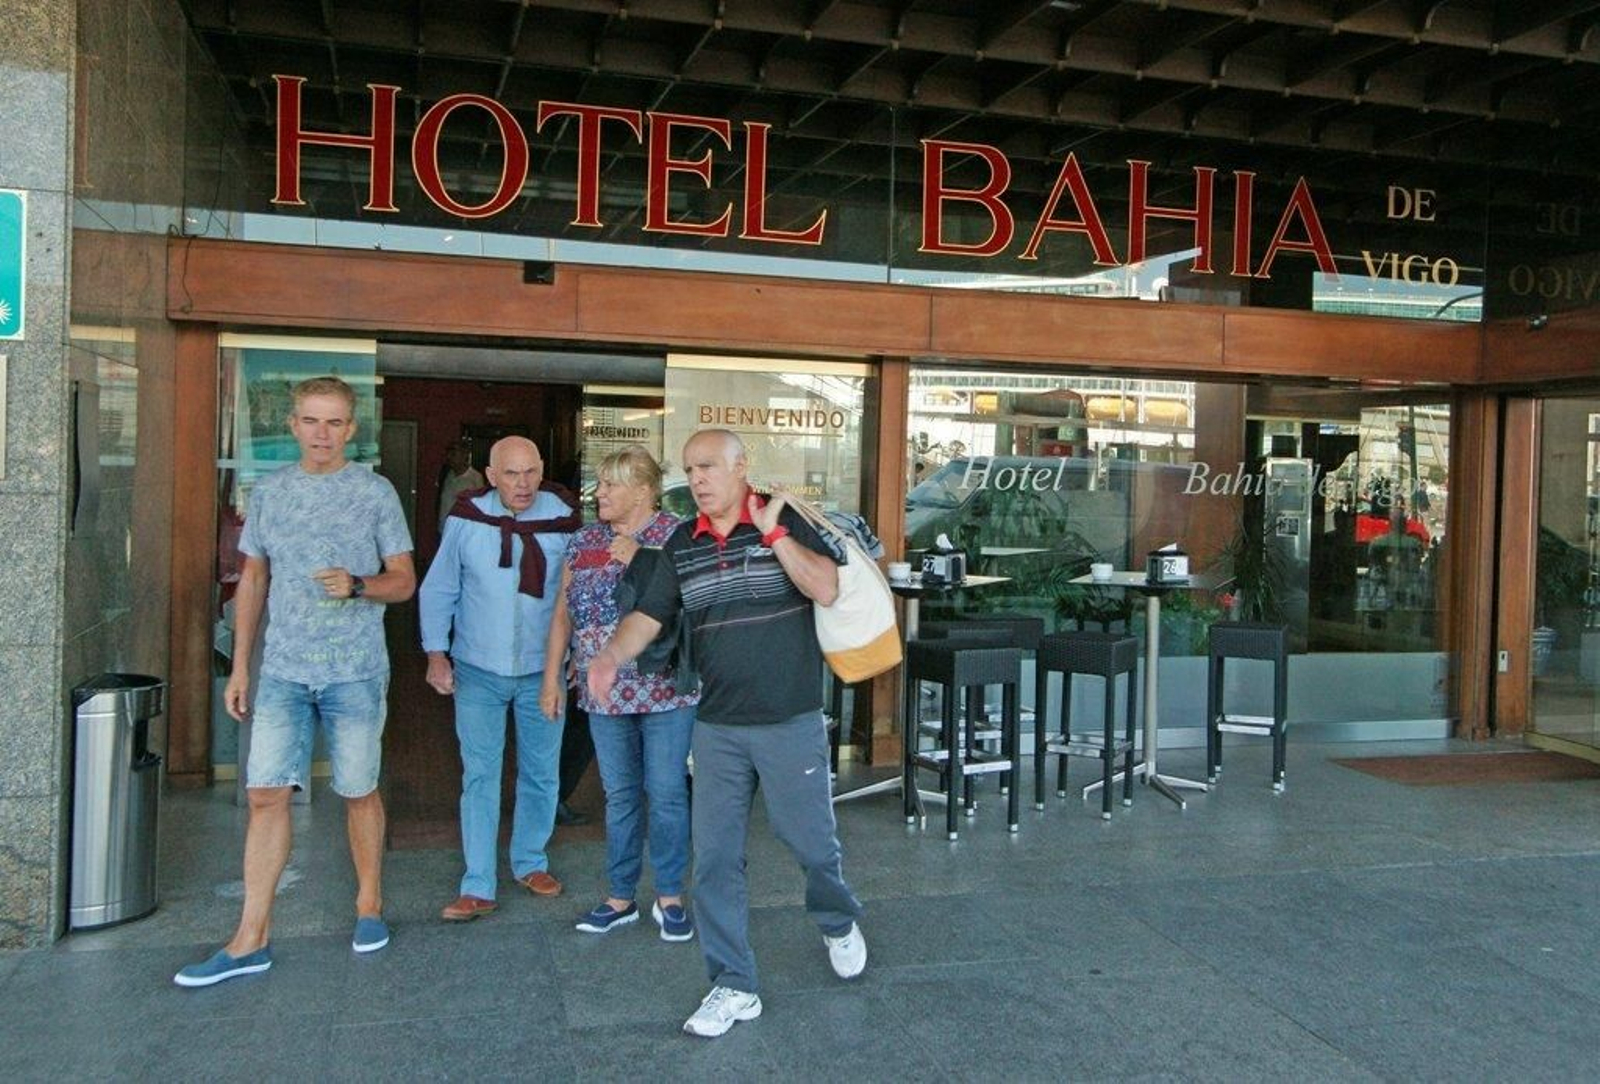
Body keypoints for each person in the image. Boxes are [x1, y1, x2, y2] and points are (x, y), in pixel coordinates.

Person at [588, 429, 866, 1039]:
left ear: (744, 467)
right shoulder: (681, 545)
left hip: (789, 721)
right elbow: (647, 616)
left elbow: (823, 586)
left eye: (709, 466)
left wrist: (772, 532)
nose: (698, 479)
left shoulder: (787, 520)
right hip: (715, 727)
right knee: (713, 860)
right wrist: (610, 657)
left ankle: (836, 918)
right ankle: (734, 984)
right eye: (690, 469)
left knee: (811, 845)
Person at [174, 376, 415, 988]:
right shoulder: (272, 492)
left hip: (354, 671)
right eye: (311, 421)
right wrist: (243, 664)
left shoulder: (374, 492)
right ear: (293, 425)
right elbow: (253, 581)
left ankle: (368, 905)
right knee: (265, 794)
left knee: (358, 789)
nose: (322, 434)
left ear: (352, 429)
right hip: (282, 669)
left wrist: (360, 584)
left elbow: (403, 581)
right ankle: (249, 937)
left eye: (334, 423)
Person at [419, 437, 582, 922]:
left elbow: (579, 594)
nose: (523, 484)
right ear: (490, 475)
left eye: (530, 472)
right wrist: (435, 654)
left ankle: (530, 861)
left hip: (542, 672)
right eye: (511, 474)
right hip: (477, 669)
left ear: (541, 469)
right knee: (480, 775)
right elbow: (440, 587)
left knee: (541, 772)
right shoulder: (468, 520)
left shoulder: (564, 520)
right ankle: (478, 882)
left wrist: (577, 652)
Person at [541, 445, 699, 940]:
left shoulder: (676, 536)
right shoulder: (584, 539)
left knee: (668, 793)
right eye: (600, 483)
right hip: (603, 690)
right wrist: (552, 676)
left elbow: (694, 602)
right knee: (620, 794)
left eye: (611, 484)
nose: (599, 492)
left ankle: (670, 895)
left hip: (665, 688)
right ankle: (621, 895)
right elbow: (562, 612)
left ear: (645, 491)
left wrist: (646, 559)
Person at [437, 440, 486, 528]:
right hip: (444, 529)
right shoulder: (445, 474)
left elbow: (481, 507)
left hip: (464, 530)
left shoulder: (475, 477)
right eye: (448, 453)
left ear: (464, 455)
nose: (449, 457)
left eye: (453, 454)